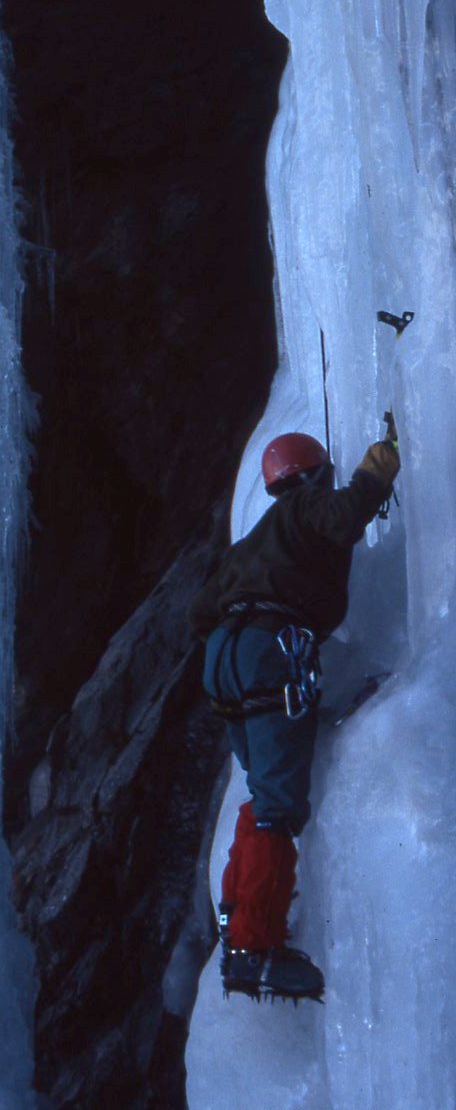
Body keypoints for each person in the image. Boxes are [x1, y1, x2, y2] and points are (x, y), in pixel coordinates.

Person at [189, 427, 401, 1003]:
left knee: (262, 794)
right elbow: (344, 515)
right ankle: (255, 948)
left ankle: (238, 925)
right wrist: (377, 471)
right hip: (269, 645)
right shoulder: (304, 506)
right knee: (278, 807)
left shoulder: (251, 543)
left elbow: (199, 612)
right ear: (312, 475)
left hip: (225, 655)